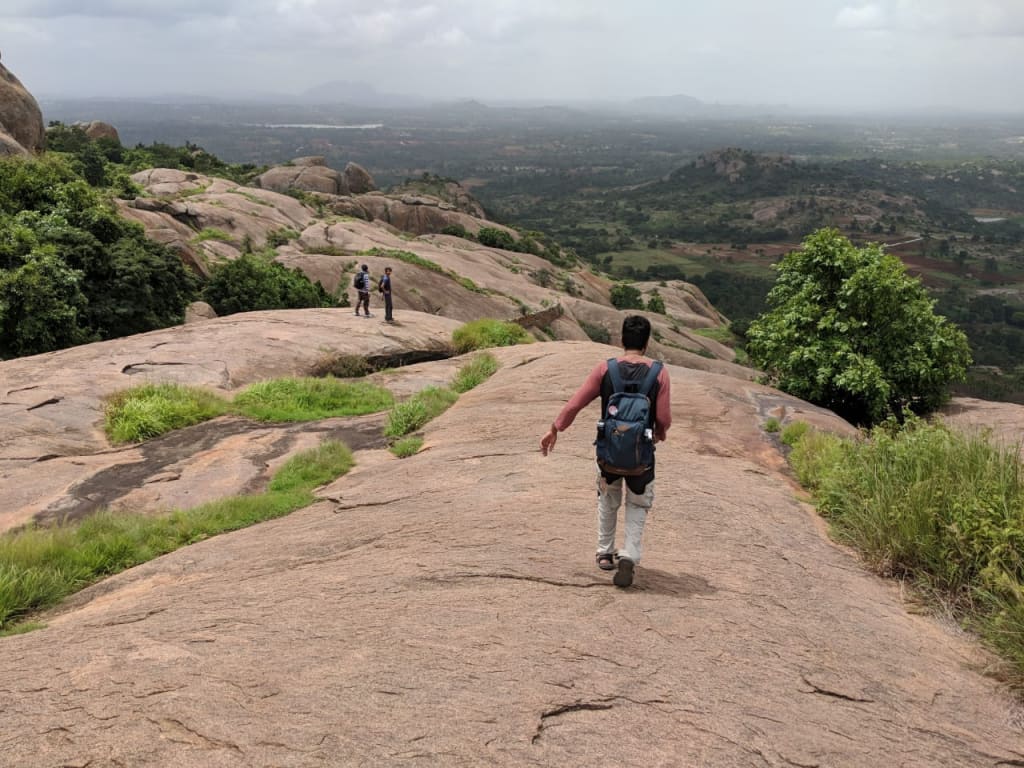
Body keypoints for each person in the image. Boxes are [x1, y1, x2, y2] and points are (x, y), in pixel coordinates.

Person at [539, 315, 671, 588]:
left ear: (622, 340)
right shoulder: (659, 373)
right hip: (641, 455)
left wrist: (555, 429)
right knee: (638, 502)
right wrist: (661, 432)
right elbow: (664, 417)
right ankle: (629, 554)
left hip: (609, 453)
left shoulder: (605, 369)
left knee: (608, 498)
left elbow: (575, 404)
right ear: (646, 343)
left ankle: (604, 552)